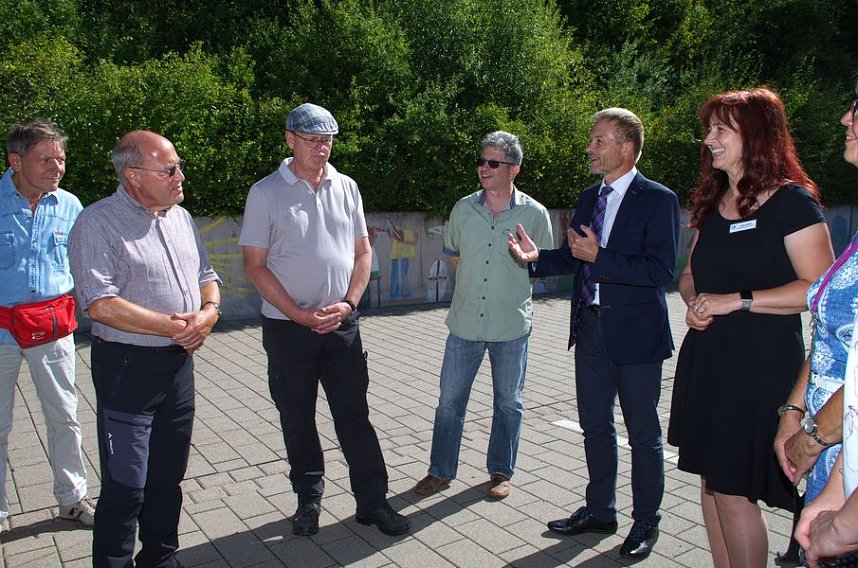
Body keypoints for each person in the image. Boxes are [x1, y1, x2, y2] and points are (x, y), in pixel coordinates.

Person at [667, 87, 834, 568]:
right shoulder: (716, 199)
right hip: (708, 360)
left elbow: (817, 290)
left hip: (759, 366)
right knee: (709, 480)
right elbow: (691, 275)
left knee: (734, 488)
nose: (709, 139)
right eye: (709, 128)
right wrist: (696, 301)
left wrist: (737, 302)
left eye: (721, 129)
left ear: (755, 134)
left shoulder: (792, 203)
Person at [509, 108, 680, 560]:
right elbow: (574, 258)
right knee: (594, 426)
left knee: (642, 434)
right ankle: (601, 510)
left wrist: (599, 256)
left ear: (626, 147)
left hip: (638, 336)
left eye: (599, 141)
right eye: (592, 139)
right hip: (590, 329)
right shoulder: (590, 196)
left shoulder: (658, 199)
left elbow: (660, 270)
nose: (590, 147)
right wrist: (537, 259)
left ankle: (646, 521)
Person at [240, 102, 410, 537]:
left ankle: (373, 503)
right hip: (287, 328)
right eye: (313, 139)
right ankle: (308, 501)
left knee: (354, 415)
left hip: (341, 325)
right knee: (297, 418)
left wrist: (350, 304)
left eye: (328, 140)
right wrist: (297, 313)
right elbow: (255, 264)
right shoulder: (265, 193)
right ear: (290, 139)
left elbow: (362, 252)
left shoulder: (346, 186)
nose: (322, 148)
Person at [68, 130, 221, 567]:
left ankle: (160, 557)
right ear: (133, 176)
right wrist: (177, 327)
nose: (180, 175)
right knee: (126, 486)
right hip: (127, 369)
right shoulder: (97, 223)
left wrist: (208, 312)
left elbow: (206, 274)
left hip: (177, 368)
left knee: (167, 478)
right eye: (169, 168)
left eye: (179, 166)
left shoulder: (180, 217)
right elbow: (100, 304)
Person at [413, 131, 552, 499]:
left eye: (493, 162)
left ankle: (500, 472)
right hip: (464, 324)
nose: (484, 168)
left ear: (514, 169)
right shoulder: (462, 209)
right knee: (449, 403)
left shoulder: (534, 214)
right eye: (481, 161)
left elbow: (543, 265)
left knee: (508, 403)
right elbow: (455, 255)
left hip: (511, 326)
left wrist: (518, 275)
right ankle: (440, 471)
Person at [0, 120, 95, 533]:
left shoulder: (70, 205)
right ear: (15, 161)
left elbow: (83, 265)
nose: (56, 167)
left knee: (65, 415)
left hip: (53, 327)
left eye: (61, 159)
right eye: (46, 159)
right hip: (1, 329)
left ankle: (72, 500)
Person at [793, 85, 858, 568]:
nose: (844, 118)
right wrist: (793, 410)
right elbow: (834, 339)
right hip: (838, 462)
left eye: (857, 107)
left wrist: (813, 437)